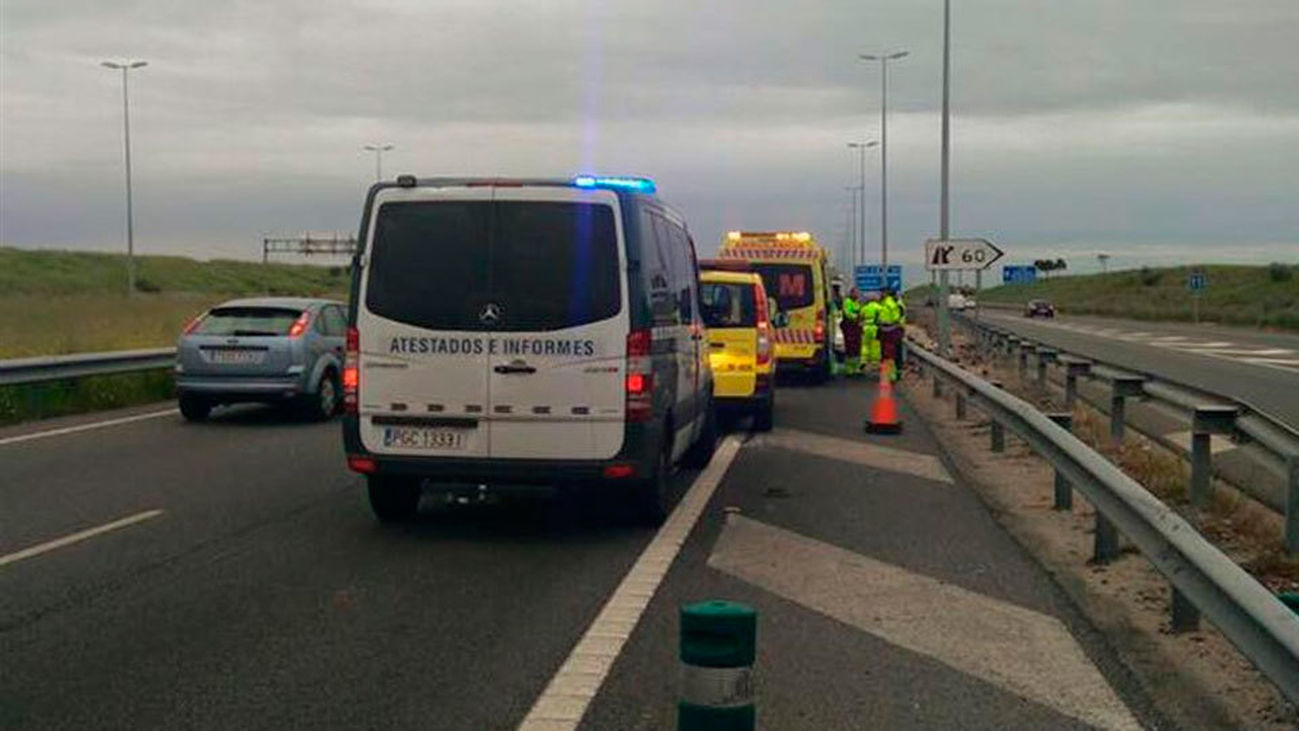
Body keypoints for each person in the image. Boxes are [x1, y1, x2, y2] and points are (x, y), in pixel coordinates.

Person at [877, 287, 904, 381]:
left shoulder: (889, 304)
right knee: (888, 353)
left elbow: (896, 317)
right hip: (887, 330)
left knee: (889, 353)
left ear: (886, 293)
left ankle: (890, 375)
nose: (880, 294)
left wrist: (888, 323)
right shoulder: (885, 303)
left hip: (890, 330)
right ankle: (888, 374)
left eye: (881, 292)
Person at [840, 287, 863, 377]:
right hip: (849, 327)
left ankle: (856, 368)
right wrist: (856, 317)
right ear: (851, 293)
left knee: (857, 348)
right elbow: (847, 313)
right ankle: (849, 369)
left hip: (856, 327)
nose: (857, 295)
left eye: (858, 293)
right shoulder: (847, 302)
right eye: (855, 293)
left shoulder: (857, 303)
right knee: (850, 348)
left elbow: (860, 313)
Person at [860, 291, 882, 373]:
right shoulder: (879, 307)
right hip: (875, 327)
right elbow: (881, 318)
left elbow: (861, 317)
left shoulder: (865, 308)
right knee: (875, 345)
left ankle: (863, 361)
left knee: (865, 345)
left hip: (866, 327)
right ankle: (875, 363)